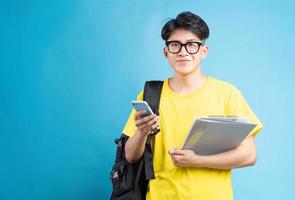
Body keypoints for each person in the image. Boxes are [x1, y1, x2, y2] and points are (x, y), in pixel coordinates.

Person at [122, 11, 263, 200]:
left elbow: (249, 155)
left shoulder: (226, 93)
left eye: (191, 45)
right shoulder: (150, 95)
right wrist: (141, 132)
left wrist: (197, 161)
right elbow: (130, 157)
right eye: (175, 45)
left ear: (203, 51)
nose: (183, 51)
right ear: (166, 52)